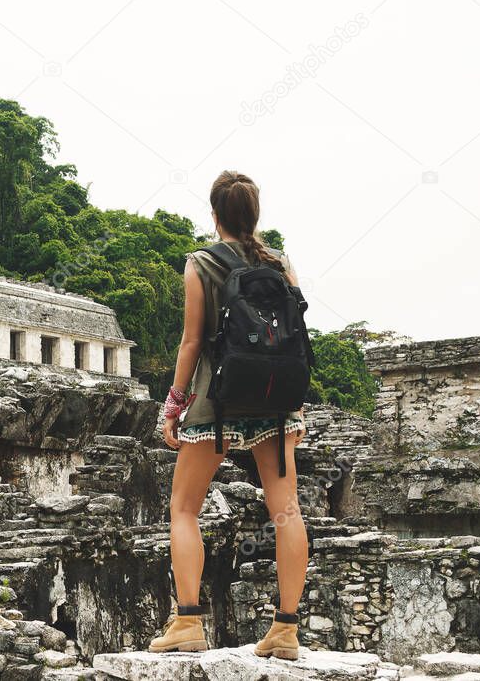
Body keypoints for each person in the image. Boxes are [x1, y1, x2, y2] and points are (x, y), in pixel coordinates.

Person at [147, 170, 308, 660]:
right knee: (286, 509)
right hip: (277, 401)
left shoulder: (201, 264)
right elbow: (296, 335)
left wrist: (173, 404)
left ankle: (188, 622)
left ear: (214, 215)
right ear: (255, 216)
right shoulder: (281, 265)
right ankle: (285, 630)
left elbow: (193, 342)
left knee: (184, 509)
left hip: (216, 402)